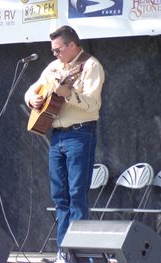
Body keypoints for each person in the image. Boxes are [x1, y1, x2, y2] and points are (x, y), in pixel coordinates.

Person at [25, 26, 105, 263]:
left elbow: (93, 105)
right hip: (57, 135)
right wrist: (33, 98)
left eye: (57, 50)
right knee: (60, 196)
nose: (54, 54)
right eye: (53, 50)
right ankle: (63, 252)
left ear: (72, 45)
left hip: (81, 134)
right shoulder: (54, 67)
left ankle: (78, 253)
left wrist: (67, 93)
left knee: (77, 194)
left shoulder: (91, 66)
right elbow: (31, 89)